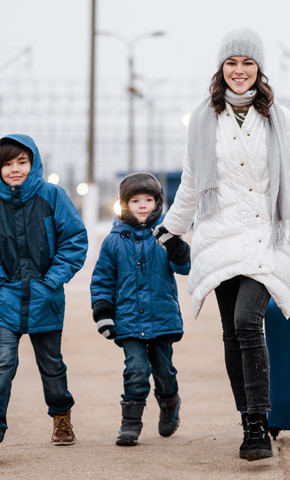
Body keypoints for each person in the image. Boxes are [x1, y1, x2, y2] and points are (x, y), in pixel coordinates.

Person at [153, 29, 290, 461]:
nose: (240, 71)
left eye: (248, 63)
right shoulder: (203, 119)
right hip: (218, 238)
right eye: (232, 63)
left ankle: (259, 424)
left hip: (263, 237)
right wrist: (172, 227)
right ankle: (247, 422)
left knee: (246, 323)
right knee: (231, 335)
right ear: (221, 68)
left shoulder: (279, 119)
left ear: (259, 69)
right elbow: (193, 184)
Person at [0, 135, 88, 464]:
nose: (15, 169)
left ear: (33, 163)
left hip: (45, 299)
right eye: (7, 163)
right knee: (2, 363)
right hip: (5, 301)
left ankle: (61, 416)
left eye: (22, 162)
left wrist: (52, 280)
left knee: (51, 366)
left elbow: (75, 239)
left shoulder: (53, 197)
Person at [90, 173, 191, 446]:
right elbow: (102, 280)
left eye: (148, 199)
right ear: (125, 205)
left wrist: (177, 248)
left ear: (158, 202)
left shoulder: (166, 234)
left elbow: (186, 268)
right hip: (128, 320)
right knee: (135, 368)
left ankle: (170, 401)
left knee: (163, 370)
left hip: (162, 317)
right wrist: (103, 312)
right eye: (135, 200)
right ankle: (130, 424)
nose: (143, 205)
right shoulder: (113, 242)